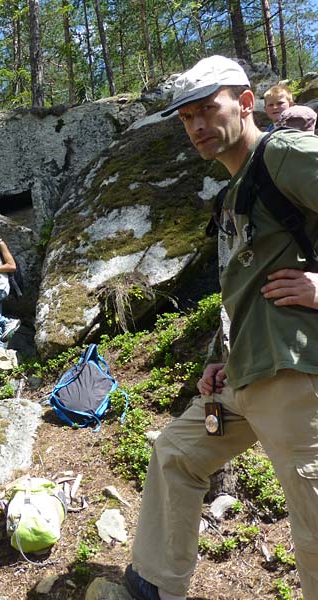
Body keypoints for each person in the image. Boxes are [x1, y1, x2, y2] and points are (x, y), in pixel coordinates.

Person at [124, 55, 318, 600]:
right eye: (187, 118)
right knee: (176, 454)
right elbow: (242, 287)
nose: (198, 126)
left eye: (209, 109)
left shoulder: (283, 153)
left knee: (314, 528)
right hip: (244, 372)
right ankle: (155, 586)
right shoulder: (234, 191)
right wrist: (217, 356)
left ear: (247, 103)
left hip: (296, 373)